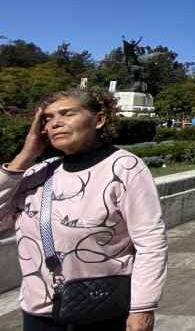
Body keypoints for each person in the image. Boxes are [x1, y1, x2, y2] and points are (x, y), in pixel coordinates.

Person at [0, 88, 168, 331]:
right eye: (47, 118)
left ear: (99, 120)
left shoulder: (124, 168)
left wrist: (142, 308)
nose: (55, 123)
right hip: (39, 310)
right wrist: (26, 155)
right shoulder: (39, 171)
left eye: (67, 114)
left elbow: (150, 242)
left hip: (101, 307)